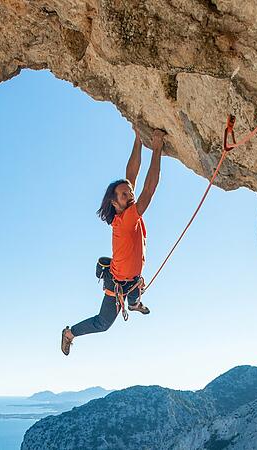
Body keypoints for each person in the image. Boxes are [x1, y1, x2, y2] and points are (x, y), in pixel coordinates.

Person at [61, 125, 165, 355]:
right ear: (115, 203)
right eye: (125, 194)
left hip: (132, 277)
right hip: (118, 283)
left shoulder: (124, 211)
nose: (131, 194)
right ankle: (69, 333)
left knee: (136, 290)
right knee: (103, 323)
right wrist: (156, 149)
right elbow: (149, 188)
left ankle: (134, 304)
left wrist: (138, 139)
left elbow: (132, 175)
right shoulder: (127, 219)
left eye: (129, 192)